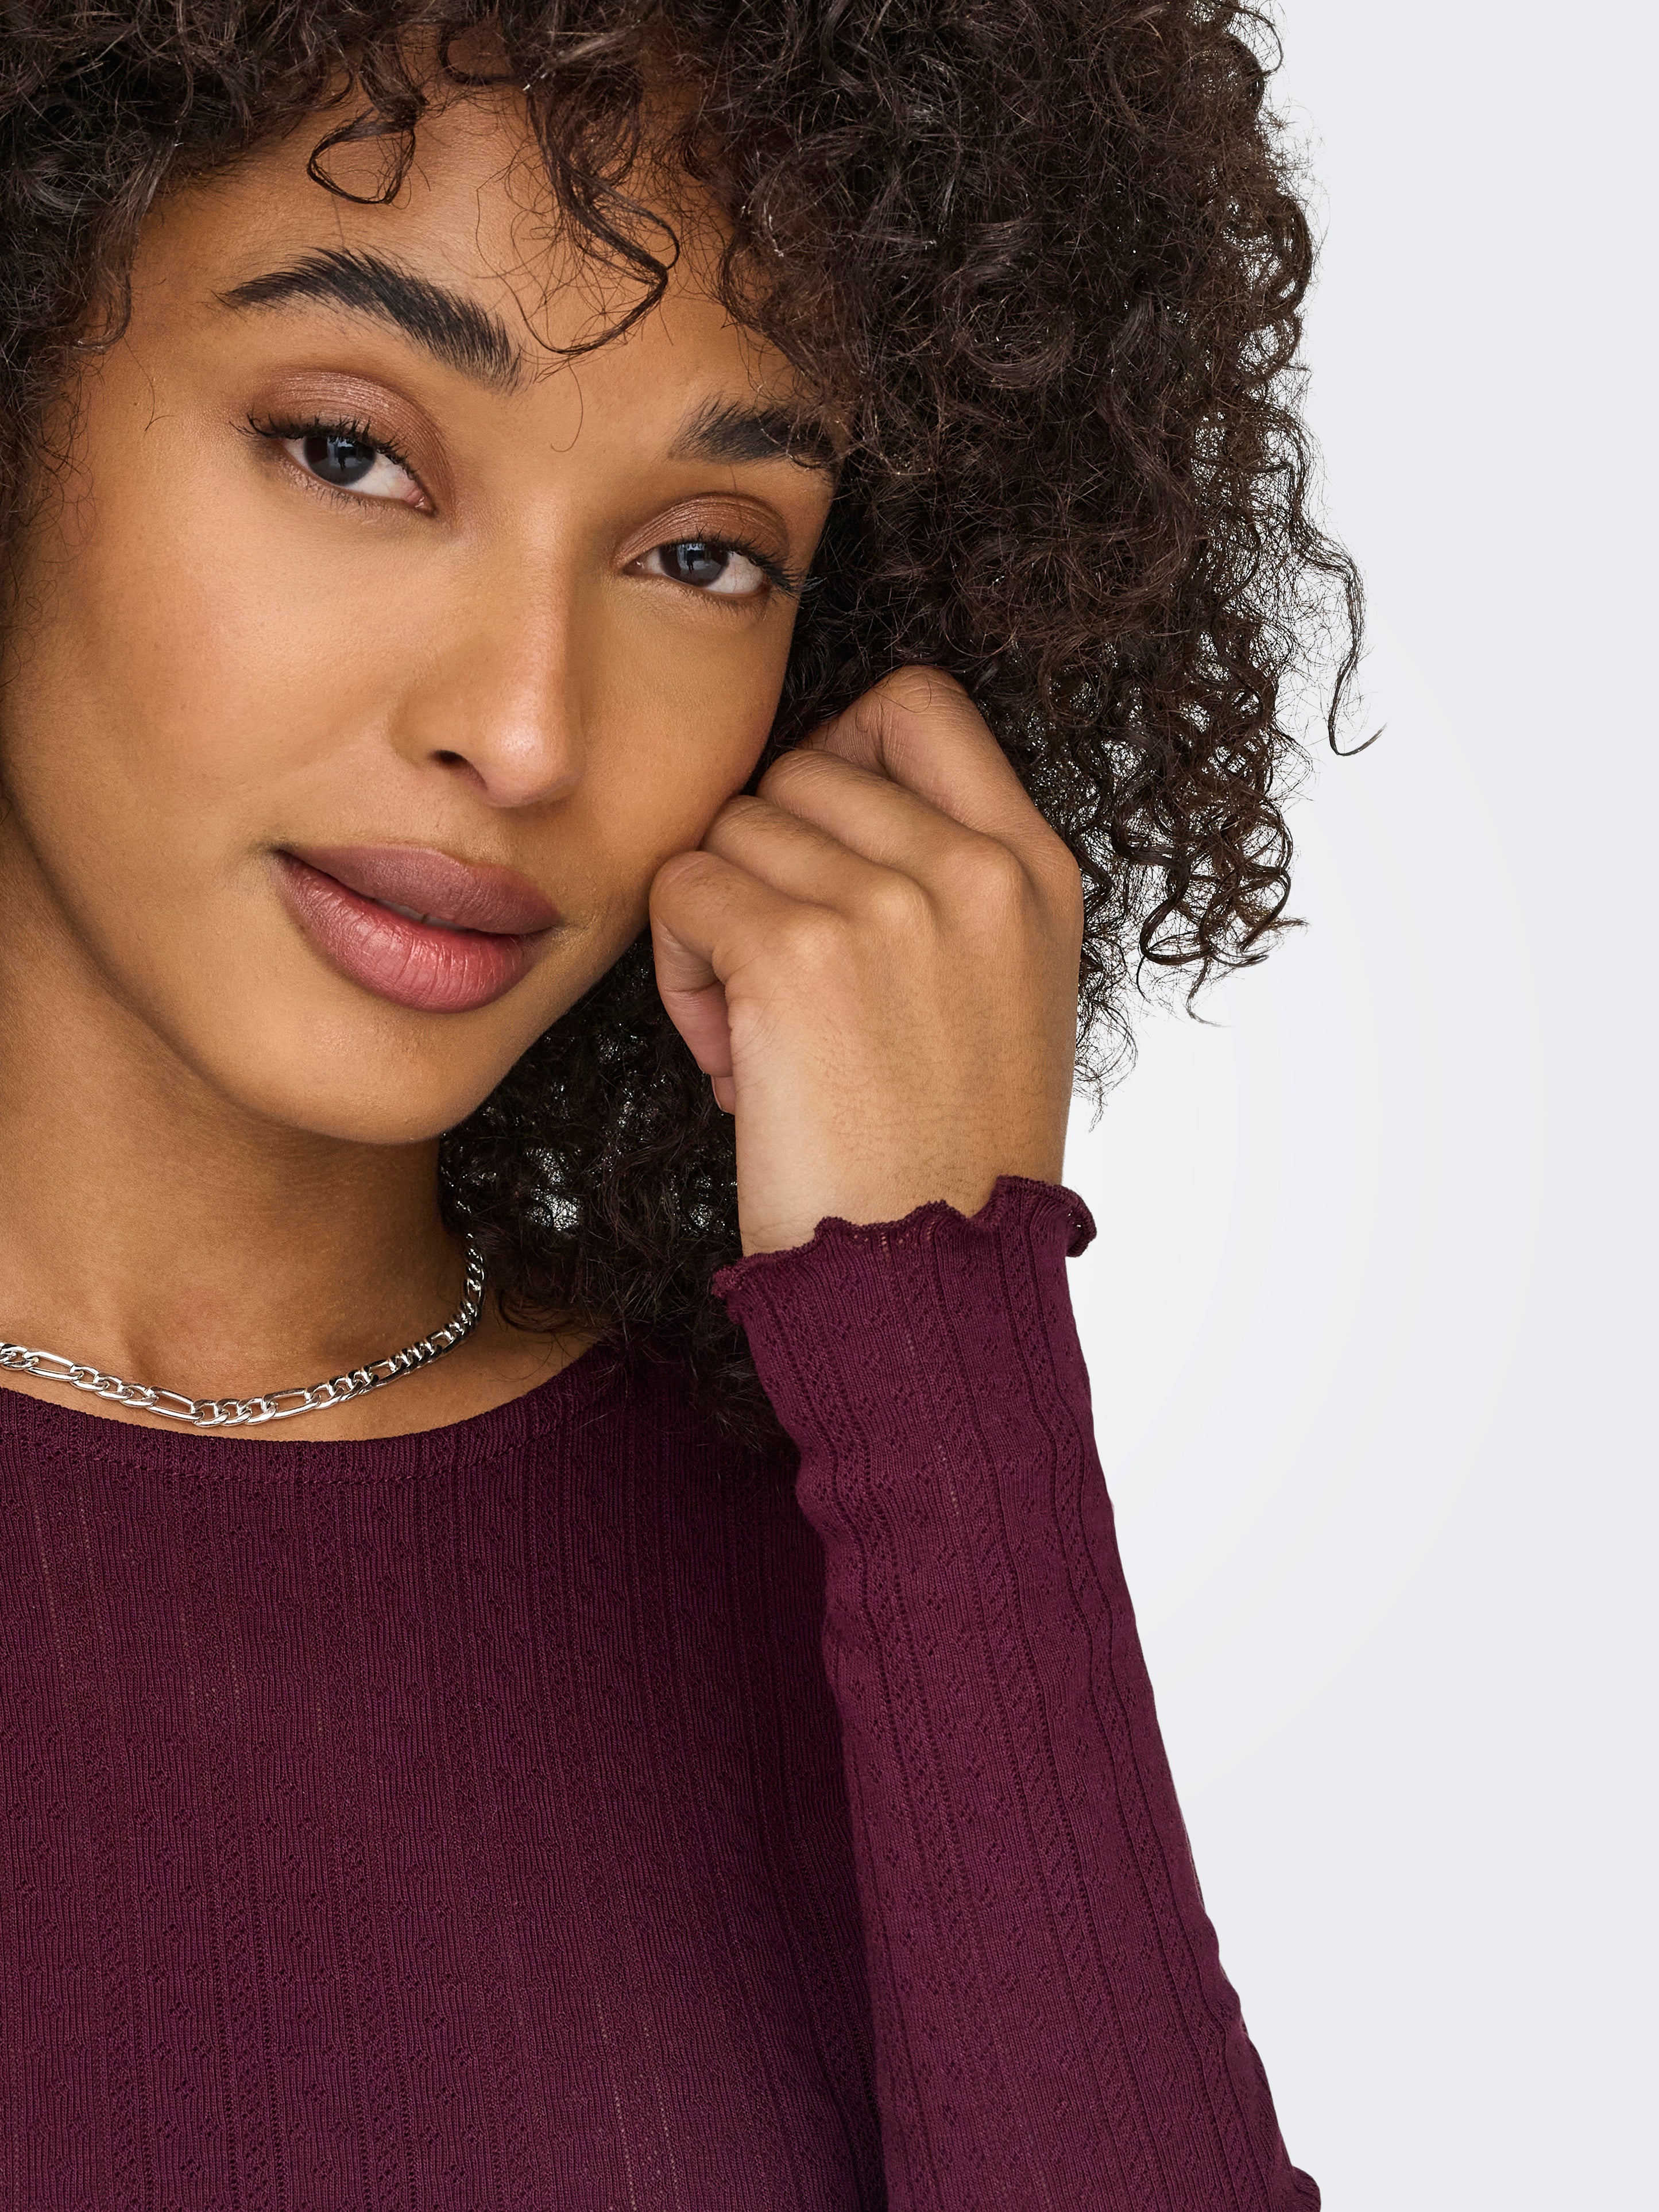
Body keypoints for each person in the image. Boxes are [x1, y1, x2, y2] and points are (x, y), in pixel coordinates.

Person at [0, 4, 1356, 2204]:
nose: (531, 729)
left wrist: (944, 1323)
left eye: (704, 552)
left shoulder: (858, 1543)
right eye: (350, 450)